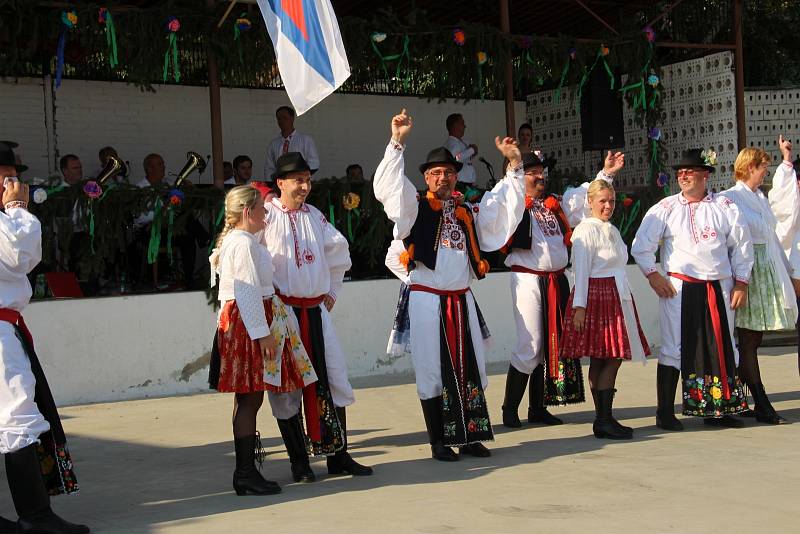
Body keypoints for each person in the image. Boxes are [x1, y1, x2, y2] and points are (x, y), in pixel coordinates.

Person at [374, 109, 524, 461]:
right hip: (428, 302)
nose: (443, 178)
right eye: (436, 173)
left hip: (461, 300)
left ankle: (470, 436)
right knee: (431, 368)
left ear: (457, 177)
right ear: (426, 178)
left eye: (449, 173)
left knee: (469, 364)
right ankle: (438, 441)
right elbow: (389, 189)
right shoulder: (414, 208)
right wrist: (397, 142)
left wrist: (515, 166)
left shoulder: (467, 212)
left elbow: (503, 210)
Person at [259, 151, 372, 482]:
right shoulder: (265, 215)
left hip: (316, 313)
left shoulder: (315, 216)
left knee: (333, 378)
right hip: (282, 315)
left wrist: (332, 293)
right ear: (280, 183)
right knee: (287, 387)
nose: (305, 186)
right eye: (298, 180)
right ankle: (299, 463)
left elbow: (339, 254)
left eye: (308, 180)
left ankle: (338, 456)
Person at [0, 142, 89, 533]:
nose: (13, 183)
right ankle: (35, 517)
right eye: (8, 176)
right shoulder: (8, 219)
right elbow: (20, 256)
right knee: (17, 413)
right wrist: (18, 210)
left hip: (6, 325)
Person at [500, 151, 623, 429]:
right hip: (527, 278)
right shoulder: (514, 204)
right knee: (529, 345)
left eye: (540, 171)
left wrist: (607, 173)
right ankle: (509, 408)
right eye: (532, 172)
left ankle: (537, 408)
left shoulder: (554, 205)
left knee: (549, 345)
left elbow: (587, 199)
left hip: (557, 279)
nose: (539, 176)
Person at [208, 185, 318, 496]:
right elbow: (244, 290)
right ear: (247, 212)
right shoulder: (241, 243)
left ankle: (246, 471)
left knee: (249, 398)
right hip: (247, 324)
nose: (266, 215)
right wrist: (262, 333)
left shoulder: (242, 241)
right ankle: (244, 472)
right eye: (261, 210)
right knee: (250, 397)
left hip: (249, 320)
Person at [631, 148, 752, 430]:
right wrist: (653, 275)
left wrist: (742, 282)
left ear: (705, 175)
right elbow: (641, 246)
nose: (683, 176)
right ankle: (664, 412)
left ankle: (717, 408)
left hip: (720, 285)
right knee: (674, 346)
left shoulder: (725, 207)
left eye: (689, 171)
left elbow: (742, 247)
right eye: (680, 172)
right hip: (679, 287)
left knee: (721, 343)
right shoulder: (665, 208)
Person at [560, 179, 650, 439]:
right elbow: (582, 270)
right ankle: (603, 418)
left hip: (613, 293)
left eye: (611, 201)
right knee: (611, 355)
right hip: (597, 295)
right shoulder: (585, 231)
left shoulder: (609, 228)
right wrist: (580, 307)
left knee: (603, 357)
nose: (608, 205)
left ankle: (604, 418)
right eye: (602, 201)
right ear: (590, 202)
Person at [723, 138, 798, 424]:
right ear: (750, 167)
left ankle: (748, 398)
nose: (764, 173)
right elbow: (732, 240)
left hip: (766, 272)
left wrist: (789, 273)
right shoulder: (730, 197)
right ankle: (760, 400)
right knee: (748, 338)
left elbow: (774, 236)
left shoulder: (759, 198)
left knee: (753, 338)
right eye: (763, 168)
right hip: (748, 273)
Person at [263, 106, 320, 181]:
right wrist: (271, 184)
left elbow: (314, 163)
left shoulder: (306, 140)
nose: (281, 121)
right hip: (280, 184)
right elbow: (269, 168)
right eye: (279, 119)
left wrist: (300, 176)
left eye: (284, 118)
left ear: (292, 118)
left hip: (301, 183)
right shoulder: (274, 144)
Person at [443, 113, 478, 189]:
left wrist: (472, 152)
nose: (465, 126)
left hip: (467, 183)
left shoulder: (463, 142)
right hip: (459, 184)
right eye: (462, 123)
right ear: (455, 125)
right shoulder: (451, 143)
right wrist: (472, 150)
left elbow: (464, 157)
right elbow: (456, 159)